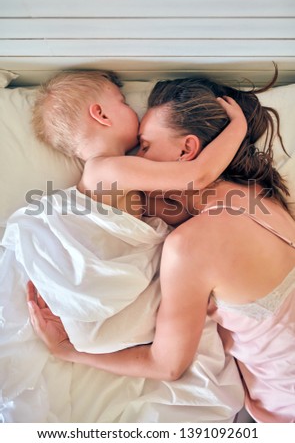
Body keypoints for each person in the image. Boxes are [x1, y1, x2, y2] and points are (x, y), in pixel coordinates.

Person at [28, 74, 295, 423]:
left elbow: (166, 365)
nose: (136, 160)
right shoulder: (262, 196)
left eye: (145, 147)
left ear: (187, 150)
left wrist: (68, 351)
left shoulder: (191, 247)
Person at [31, 70, 247, 220]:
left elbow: (177, 214)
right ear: (101, 115)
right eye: (123, 102)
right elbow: (197, 176)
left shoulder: (117, 178)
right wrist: (238, 127)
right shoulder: (106, 170)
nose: (134, 111)